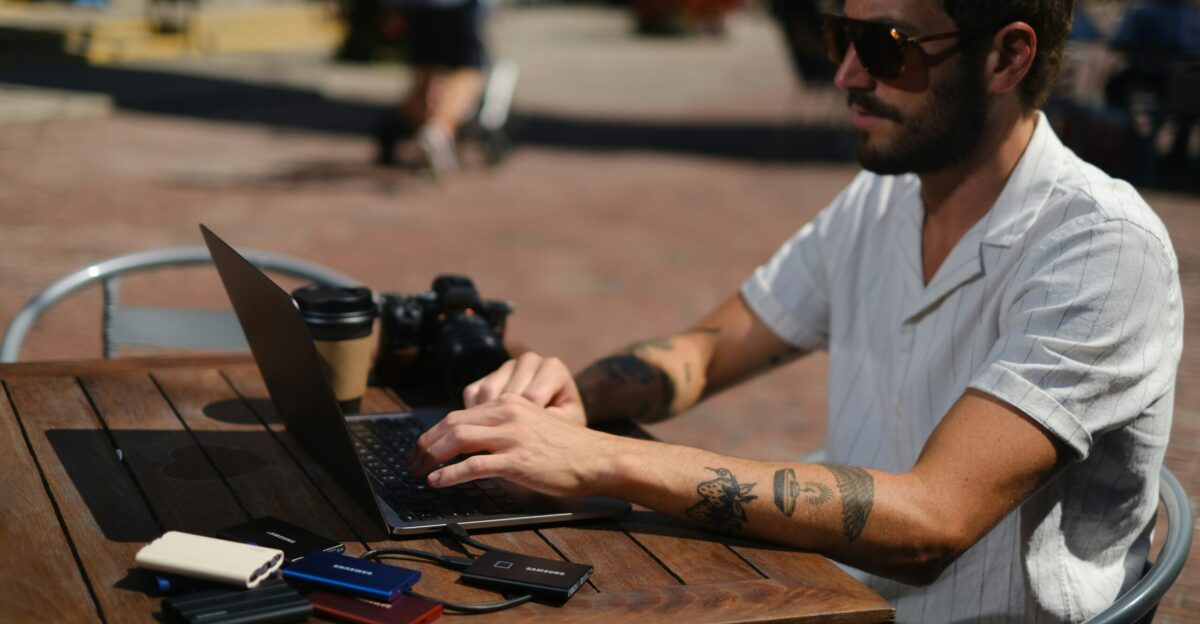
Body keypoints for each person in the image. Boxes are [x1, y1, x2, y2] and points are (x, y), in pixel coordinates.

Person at [408, 0, 1183, 620]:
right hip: (828, 595)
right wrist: (565, 400)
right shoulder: (883, 199)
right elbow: (709, 350)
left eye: (886, 46)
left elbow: (930, 523)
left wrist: (604, 460)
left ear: (1008, 55)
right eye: (837, 33)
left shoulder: (1100, 248)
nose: (846, 71)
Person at [375, 0, 490, 176]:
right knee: (467, 73)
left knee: (427, 72)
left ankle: (428, 133)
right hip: (456, 6)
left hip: (417, 7)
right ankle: (438, 131)